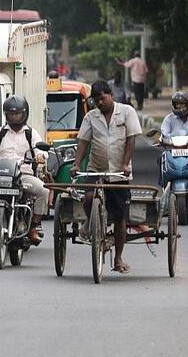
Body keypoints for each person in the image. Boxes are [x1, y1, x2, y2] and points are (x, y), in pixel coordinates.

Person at [70, 80, 142, 274]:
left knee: (119, 216)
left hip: (119, 173)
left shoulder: (127, 112)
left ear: (111, 95)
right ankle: (90, 222)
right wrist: (77, 164)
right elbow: (83, 141)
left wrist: (125, 164)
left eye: (102, 98)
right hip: (96, 169)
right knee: (88, 198)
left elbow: (131, 139)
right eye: (96, 100)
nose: (100, 103)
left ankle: (118, 258)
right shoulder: (91, 117)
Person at [0, 95, 49, 245]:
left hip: (23, 175)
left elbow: (40, 149)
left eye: (17, 114)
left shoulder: (31, 133)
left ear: (25, 114)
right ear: (6, 114)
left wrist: (40, 155)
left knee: (43, 191)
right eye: (11, 114)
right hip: (0, 174)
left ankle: (33, 226)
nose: (14, 117)